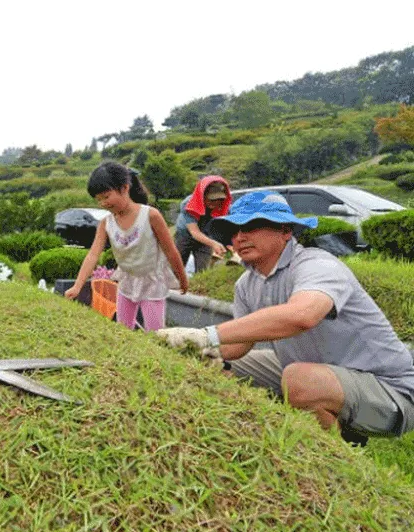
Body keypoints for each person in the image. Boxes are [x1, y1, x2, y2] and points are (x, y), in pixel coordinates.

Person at [157, 191, 414, 445]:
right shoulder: (246, 284)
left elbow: (303, 315)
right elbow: (237, 346)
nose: (240, 237)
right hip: (311, 368)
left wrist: (208, 334)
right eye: (233, 231)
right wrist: (197, 345)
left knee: (299, 380)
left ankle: (339, 459)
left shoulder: (318, 265)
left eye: (253, 226)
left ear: (285, 231)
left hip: (390, 398)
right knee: (217, 366)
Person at [65, 162, 189, 331]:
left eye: (106, 196)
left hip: (152, 281)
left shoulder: (150, 215)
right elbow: (93, 255)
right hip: (127, 280)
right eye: (98, 199)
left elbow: (170, 251)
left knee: (156, 334)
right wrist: (78, 285)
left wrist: (182, 278)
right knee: (122, 331)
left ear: (124, 188)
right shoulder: (106, 223)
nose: (103, 203)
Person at [174, 175, 232, 273]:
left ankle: (197, 286)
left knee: (203, 271)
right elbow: (194, 232)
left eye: (219, 199)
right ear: (203, 195)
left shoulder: (223, 207)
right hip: (185, 235)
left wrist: (228, 243)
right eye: (211, 199)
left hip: (206, 236)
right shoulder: (188, 204)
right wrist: (214, 243)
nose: (215, 202)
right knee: (177, 268)